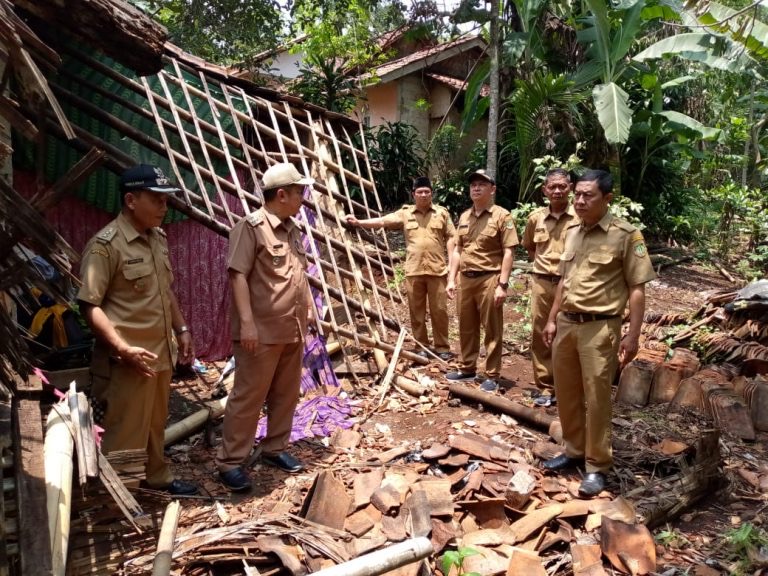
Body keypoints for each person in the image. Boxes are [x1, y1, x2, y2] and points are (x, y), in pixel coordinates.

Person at [78, 164, 198, 496]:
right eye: (157, 200)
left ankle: (156, 478)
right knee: (125, 432)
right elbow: (90, 305)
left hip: (159, 355)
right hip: (128, 360)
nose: (164, 207)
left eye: (166, 200)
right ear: (131, 200)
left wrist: (182, 328)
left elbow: (165, 289)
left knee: (155, 425)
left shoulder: (157, 239)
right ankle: (119, 496)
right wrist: (122, 348)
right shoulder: (106, 246)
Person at [541, 169, 656, 497]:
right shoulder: (573, 231)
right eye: (577, 194)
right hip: (567, 324)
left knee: (596, 397)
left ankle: (597, 466)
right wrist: (551, 319)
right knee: (565, 392)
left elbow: (637, 289)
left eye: (587, 195)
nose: (578, 201)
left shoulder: (626, 235)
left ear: (607, 198)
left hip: (600, 327)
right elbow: (564, 280)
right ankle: (573, 450)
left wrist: (633, 336)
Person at [216, 163, 315, 492]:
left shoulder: (292, 229)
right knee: (248, 396)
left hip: (291, 329)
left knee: (286, 395)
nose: (303, 197)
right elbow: (237, 274)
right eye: (299, 192)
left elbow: (299, 276)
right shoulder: (251, 227)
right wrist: (247, 324)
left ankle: (275, 447)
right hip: (260, 331)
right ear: (282, 194)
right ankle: (230, 462)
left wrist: (311, 313)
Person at [345, 177, 456, 360]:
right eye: (419, 191)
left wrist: (451, 266)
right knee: (416, 312)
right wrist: (359, 222)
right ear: (413, 194)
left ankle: (442, 348)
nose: (423, 194)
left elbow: (451, 238)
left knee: (440, 311)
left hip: (438, 271)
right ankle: (421, 347)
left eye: (426, 191)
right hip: (414, 271)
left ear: (431, 194)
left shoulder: (442, 214)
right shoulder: (405, 214)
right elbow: (382, 221)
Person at [445, 169, 518, 392]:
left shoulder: (502, 216)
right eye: (473, 185)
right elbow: (458, 249)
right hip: (466, 279)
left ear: (492, 189)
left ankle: (492, 374)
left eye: (482, 184)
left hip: (489, 278)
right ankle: (467, 368)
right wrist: (451, 278)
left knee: (492, 328)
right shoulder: (465, 216)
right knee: (466, 326)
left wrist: (502, 285)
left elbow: (509, 252)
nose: (476, 188)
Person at [521, 169, 576, 393]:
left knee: (568, 333)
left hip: (572, 283)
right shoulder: (536, 218)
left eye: (562, 186)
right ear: (544, 190)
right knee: (541, 332)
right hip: (542, 283)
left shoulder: (580, 218)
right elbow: (530, 247)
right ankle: (545, 386)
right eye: (552, 187)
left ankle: (566, 386)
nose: (557, 191)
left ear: (570, 188)